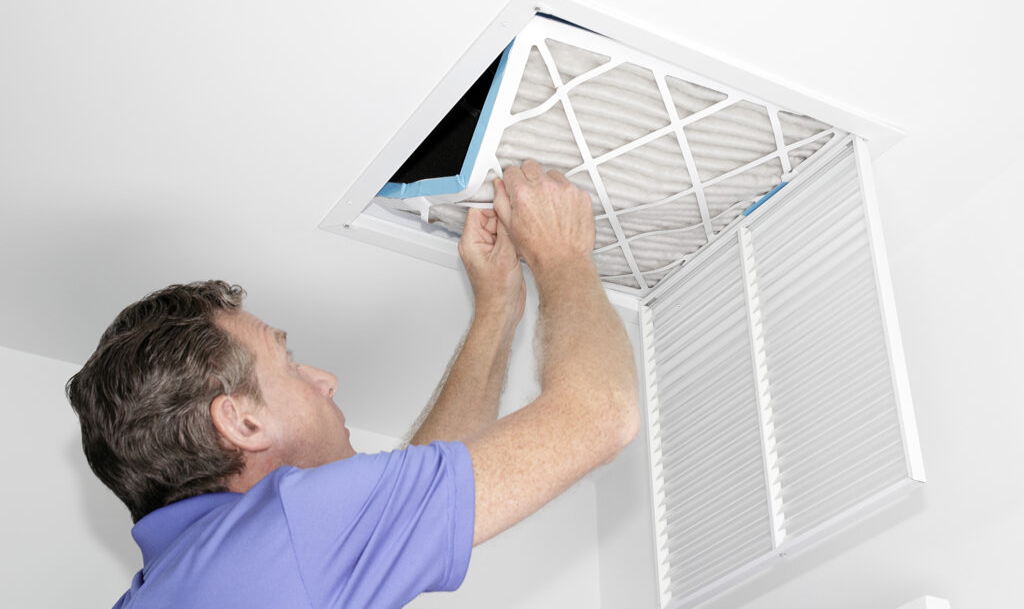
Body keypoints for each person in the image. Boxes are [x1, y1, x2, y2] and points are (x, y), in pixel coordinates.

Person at [66, 160, 641, 608]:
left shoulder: (190, 578)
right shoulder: (286, 533)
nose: (326, 381)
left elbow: (405, 502)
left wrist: (497, 310)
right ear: (242, 421)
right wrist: (563, 255)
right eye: (290, 364)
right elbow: (601, 414)